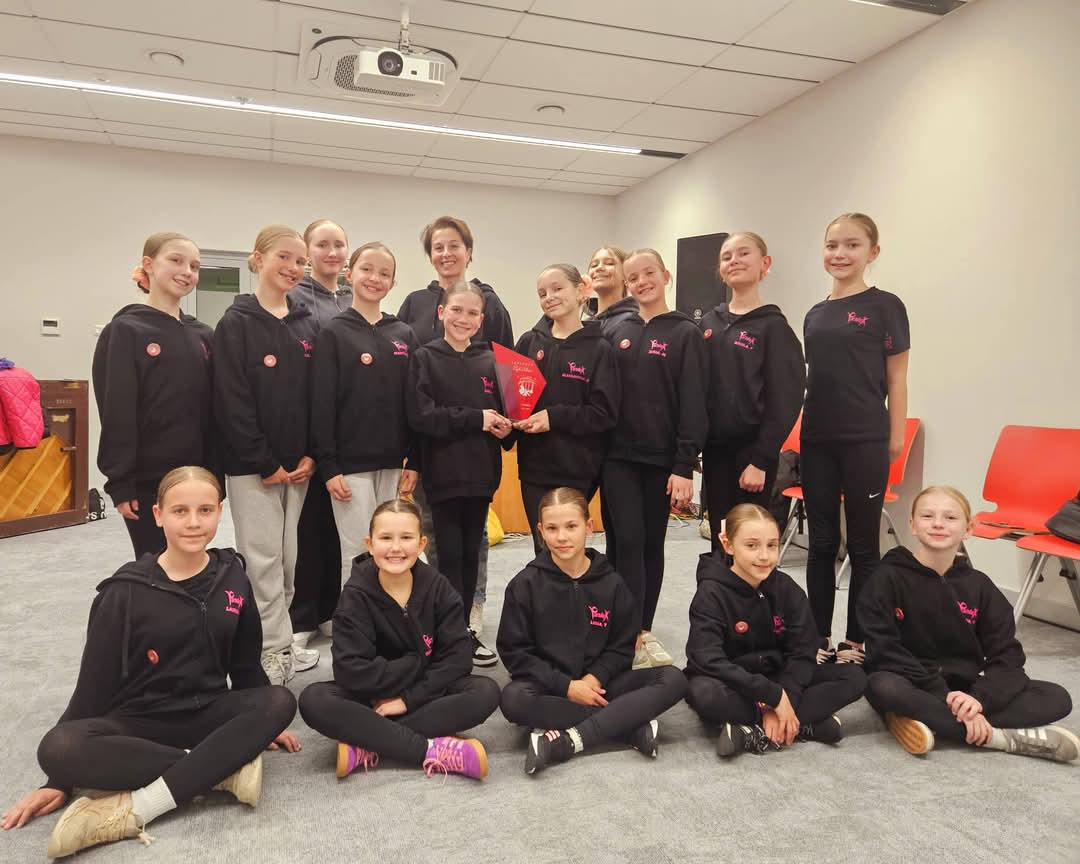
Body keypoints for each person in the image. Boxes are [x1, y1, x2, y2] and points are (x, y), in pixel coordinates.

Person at [0, 467, 300, 857]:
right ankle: (221, 771)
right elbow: (91, 691)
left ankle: (147, 802)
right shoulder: (123, 592)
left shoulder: (233, 576)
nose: (193, 523)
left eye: (205, 510)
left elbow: (245, 668)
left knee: (279, 701)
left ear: (220, 512)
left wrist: (263, 724)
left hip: (207, 713)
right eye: (180, 511)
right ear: (158, 515)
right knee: (57, 747)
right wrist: (58, 780)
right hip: (140, 723)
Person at [859, 485, 1078, 761]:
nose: (938, 524)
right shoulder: (886, 578)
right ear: (912, 525)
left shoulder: (980, 586)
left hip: (965, 688)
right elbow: (883, 649)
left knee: (1056, 697)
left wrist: (979, 700)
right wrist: (944, 695)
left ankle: (925, 720)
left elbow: (1007, 656)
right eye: (927, 516)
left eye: (950, 517)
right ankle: (998, 739)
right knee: (882, 686)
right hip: (910, 681)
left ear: (968, 529)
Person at [298, 499, 499, 780]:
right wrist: (417, 662)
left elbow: (458, 659)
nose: (395, 548)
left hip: (423, 694)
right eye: (385, 538)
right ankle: (427, 749)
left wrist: (407, 700)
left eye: (406, 538)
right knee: (314, 700)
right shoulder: (355, 594)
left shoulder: (438, 587)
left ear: (421, 543)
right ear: (370, 544)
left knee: (485, 692)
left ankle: (369, 741)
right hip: (371, 698)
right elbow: (350, 671)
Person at [497, 487, 686, 774]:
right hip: (552, 688)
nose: (562, 537)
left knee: (673, 678)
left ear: (588, 526)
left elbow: (622, 646)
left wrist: (594, 678)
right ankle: (625, 725)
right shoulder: (524, 585)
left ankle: (571, 738)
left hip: (603, 685)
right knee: (513, 699)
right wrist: (568, 687)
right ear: (540, 531)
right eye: (552, 528)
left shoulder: (613, 583)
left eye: (571, 526)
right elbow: (515, 653)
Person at [397, 216, 513, 650]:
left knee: (470, 550)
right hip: (440, 472)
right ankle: (444, 629)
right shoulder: (424, 355)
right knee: (443, 551)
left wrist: (507, 427)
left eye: (473, 313)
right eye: (457, 311)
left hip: (480, 475)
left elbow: (505, 409)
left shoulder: (489, 358)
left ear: (482, 320)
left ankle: (465, 626)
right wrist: (477, 418)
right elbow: (422, 414)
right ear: (441, 313)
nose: (464, 318)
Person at [801, 213, 910, 665]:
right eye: (832, 245)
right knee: (822, 542)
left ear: (872, 252)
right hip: (816, 439)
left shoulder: (886, 306)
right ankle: (817, 636)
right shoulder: (814, 313)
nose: (840, 254)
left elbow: (897, 378)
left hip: (865, 438)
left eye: (851, 245)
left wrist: (895, 436)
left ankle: (856, 640)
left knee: (863, 546)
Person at [214, 225, 318, 684]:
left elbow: (317, 396)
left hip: (299, 468)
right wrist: (264, 462)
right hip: (253, 469)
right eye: (284, 257)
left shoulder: (307, 325)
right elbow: (231, 401)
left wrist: (311, 454)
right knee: (261, 561)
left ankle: (281, 639)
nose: (293, 268)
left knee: (289, 560)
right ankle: (268, 651)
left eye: (300, 261)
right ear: (258, 259)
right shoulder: (235, 324)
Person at [685, 504, 865, 757]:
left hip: (778, 676)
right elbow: (708, 660)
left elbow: (802, 652)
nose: (764, 556)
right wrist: (771, 698)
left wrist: (783, 697)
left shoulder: (788, 590)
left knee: (854, 677)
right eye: (752, 545)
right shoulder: (710, 594)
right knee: (703, 693)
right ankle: (800, 724)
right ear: (728, 545)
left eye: (772, 545)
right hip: (732, 681)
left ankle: (753, 728)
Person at [601, 248, 707, 669]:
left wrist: (684, 465)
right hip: (616, 457)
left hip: (660, 461)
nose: (641, 282)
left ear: (665, 276)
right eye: (633, 277)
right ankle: (617, 628)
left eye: (649, 273)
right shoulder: (616, 329)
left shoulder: (685, 333)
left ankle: (639, 632)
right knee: (620, 542)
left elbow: (694, 402)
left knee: (648, 544)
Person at [91, 232, 214, 558]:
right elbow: (116, 410)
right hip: (147, 481)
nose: (187, 271)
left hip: (197, 475)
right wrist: (121, 481)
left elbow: (213, 410)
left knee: (194, 561)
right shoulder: (125, 331)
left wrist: (215, 475)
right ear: (148, 264)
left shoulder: (203, 335)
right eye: (176, 261)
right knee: (156, 565)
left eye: (194, 266)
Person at [310, 242, 418, 588]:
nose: (375, 278)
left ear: (393, 282)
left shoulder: (404, 334)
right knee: (358, 551)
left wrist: (414, 460)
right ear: (349, 274)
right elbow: (322, 404)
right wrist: (329, 466)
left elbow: (414, 402)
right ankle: (355, 620)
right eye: (367, 269)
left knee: (393, 550)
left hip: (393, 465)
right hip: (349, 467)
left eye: (384, 273)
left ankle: (389, 617)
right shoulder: (333, 332)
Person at [700, 232, 804, 553]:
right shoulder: (708, 323)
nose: (734, 261)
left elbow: (785, 400)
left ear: (764, 264)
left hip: (753, 457)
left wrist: (761, 459)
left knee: (749, 542)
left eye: (744, 253)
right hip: (715, 453)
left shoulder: (774, 328)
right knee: (721, 538)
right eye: (727, 256)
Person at [513, 263, 619, 553]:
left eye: (557, 288)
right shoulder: (528, 342)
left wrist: (553, 417)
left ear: (581, 291)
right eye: (542, 293)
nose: (549, 297)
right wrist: (507, 425)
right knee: (543, 548)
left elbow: (604, 413)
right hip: (534, 468)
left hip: (578, 467)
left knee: (568, 548)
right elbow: (516, 403)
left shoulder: (599, 349)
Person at [289, 219, 351, 666]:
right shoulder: (294, 297)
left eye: (339, 244)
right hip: (305, 429)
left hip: (347, 432)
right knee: (307, 529)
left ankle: (331, 608)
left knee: (336, 528)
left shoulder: (352, 298)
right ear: (308, 252)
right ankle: (302, 615)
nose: (332, 252)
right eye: (322, 244)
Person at [585, 244, 637, 332]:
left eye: (609, 263)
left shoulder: (633, 320)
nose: (599, 268)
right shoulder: (584, 324)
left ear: (626, 274)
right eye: (594, 265)